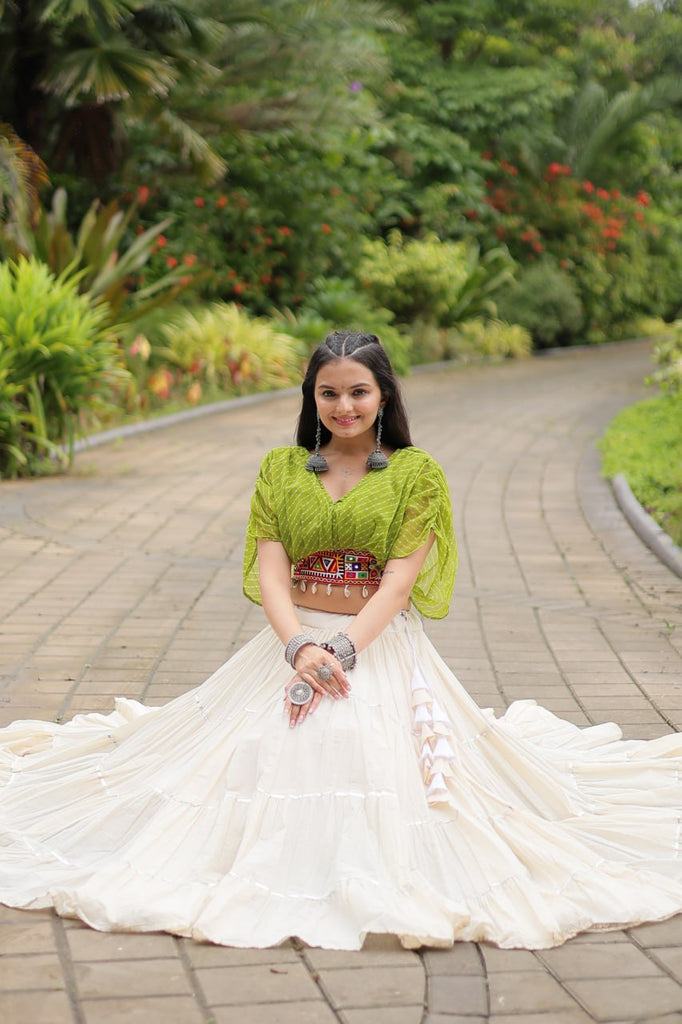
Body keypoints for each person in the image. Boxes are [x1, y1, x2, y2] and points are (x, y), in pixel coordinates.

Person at [2, 329, 682, 952]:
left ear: (383, 395)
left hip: (377, 646)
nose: (344, 406)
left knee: (354, 745)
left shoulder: (416, 475)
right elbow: (270, 568)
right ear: (312, 397)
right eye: (329, 392)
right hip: (295, 639)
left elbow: (396, 585)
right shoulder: (280, 469)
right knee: (252, 757)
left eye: (359, 391)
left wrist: (343, 652)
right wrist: (299, 647)